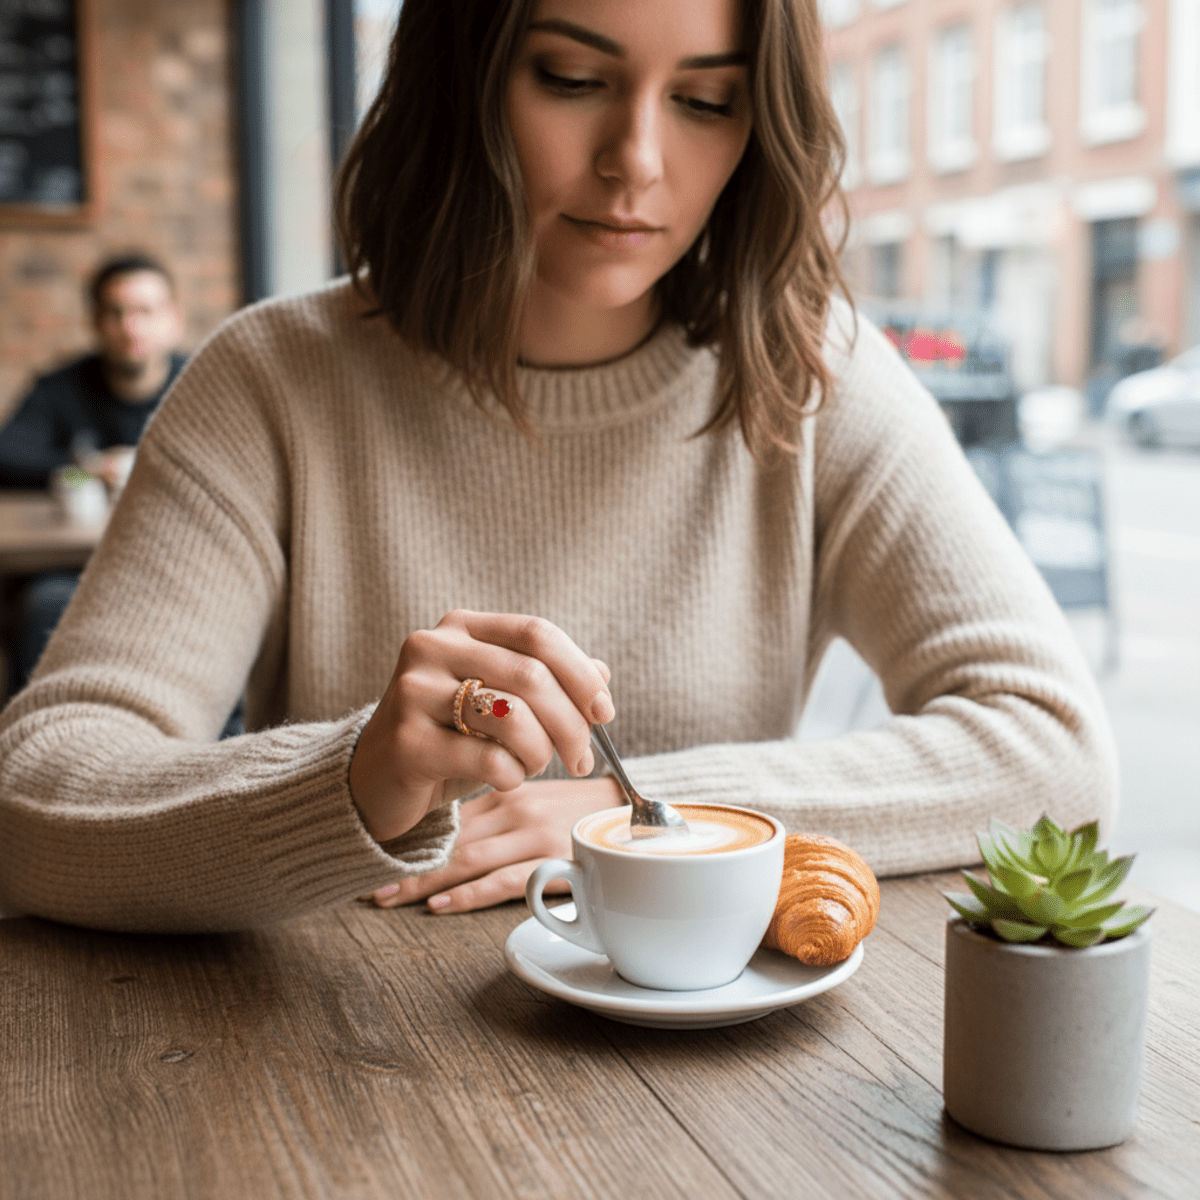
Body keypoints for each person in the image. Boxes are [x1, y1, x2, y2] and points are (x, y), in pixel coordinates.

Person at [0, 0, 1115, 933]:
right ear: (466, 77)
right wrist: (354, 781)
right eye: (574, 77)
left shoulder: (810, 378)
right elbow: (37, 790)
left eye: (706, 100)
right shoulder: (272, 382)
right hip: (337, 1094)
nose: (638, 159)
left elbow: (1053, 756)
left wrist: (642, 818)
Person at [0, 253, 185, 689]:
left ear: (173, 319)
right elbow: (7, 453)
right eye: (116, 313)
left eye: (145, 311)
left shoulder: (202, 385)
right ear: (96, 321)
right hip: (73, 567)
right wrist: (89, 467)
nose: (130, 327)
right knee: (44, 604)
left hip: (177, 563)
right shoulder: (62, 387)